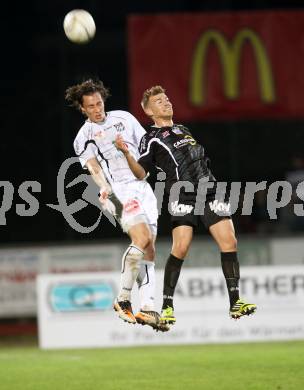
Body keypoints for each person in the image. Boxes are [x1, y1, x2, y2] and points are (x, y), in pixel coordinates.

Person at [115, 85, 257, 324]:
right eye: (159, 101)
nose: (166, 102)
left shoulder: (183, 129)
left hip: (209, 190)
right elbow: (141, 173)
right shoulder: (151, 139)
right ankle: (168, 305)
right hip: (182, 194)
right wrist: (127, 154)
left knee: (230, 241)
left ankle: (235, 303)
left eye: (167, 98)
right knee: (181, 246)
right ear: (149, 111)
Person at [65, 79, 168, 332]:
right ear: (83, 108)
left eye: (99, 103)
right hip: (117, 191)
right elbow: (93, 167)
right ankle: (122, 299)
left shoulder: (124, 117)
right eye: (91, 106)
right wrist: (106, 191)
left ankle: (147, 308)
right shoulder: (83, 137)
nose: (97, 109)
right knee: (141, 238)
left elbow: (146, 147)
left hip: (142, 187)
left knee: (150, 247)